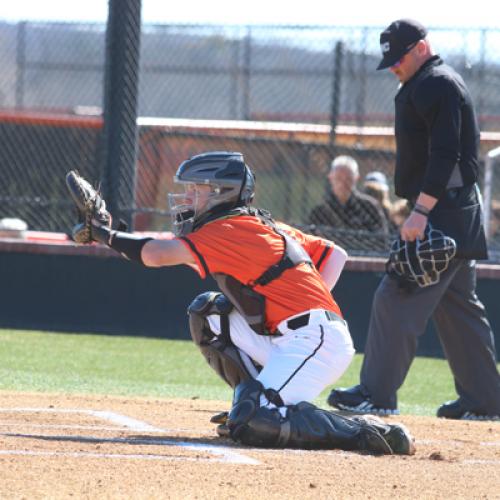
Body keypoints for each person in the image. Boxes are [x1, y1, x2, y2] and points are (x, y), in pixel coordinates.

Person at [68, 151, 415, 454]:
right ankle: (253, 399)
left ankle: (369, 432)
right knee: (209, 314)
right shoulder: (254, 224)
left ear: (221, 193)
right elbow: (335, 255)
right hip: (291, 337)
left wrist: (104, 233)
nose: (187, 197)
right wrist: (302, 297)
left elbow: (156, 255)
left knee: (256, 423)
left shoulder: (229, 228)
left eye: (196, 190)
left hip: (316, 341)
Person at [328, 19, 500, 420]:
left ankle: (376, 393)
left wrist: (421, 210)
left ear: (421, 47)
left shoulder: (437, 83)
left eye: (398, 56)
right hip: (455, 211)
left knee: (396, 294)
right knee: (458, 307)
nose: (393, 66)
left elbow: (446, 155)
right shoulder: (429, 81)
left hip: (442, 211)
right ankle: (486, 399)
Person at [308, 156, 388, 251]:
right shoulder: (319, 212)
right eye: (338, 178)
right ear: (330, 177)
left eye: (348, 179)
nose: (343, 183)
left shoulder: (369, 207)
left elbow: (381, 241)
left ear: (356, 178)